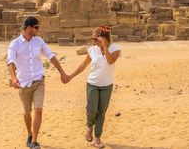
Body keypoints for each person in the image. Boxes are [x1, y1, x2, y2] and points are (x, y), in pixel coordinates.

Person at [7, 16, 69, 149]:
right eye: (36, 27)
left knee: (39, 110)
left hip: (38, 80)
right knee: (26, 113)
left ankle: (34, 141)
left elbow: (51, 56)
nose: (38, 30)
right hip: (23, 83)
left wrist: (62, 73)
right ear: (29, 28)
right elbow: (10, 62)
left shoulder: (39, 41)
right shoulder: (15, 44)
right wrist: (13, 78)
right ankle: (30, 134)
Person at [69, 25, 121, 148]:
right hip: (92, 83)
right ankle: (89, 125)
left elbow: (110, 61)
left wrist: (104, 47)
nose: (94, 42)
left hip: (107, 85)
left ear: (104, 38)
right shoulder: (92, 50)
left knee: (101, 112)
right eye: (93, 39)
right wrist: (70, 76)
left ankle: (97, 138)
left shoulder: (115, 49)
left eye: (96, 39)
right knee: (92, 109)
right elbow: (83, 65)